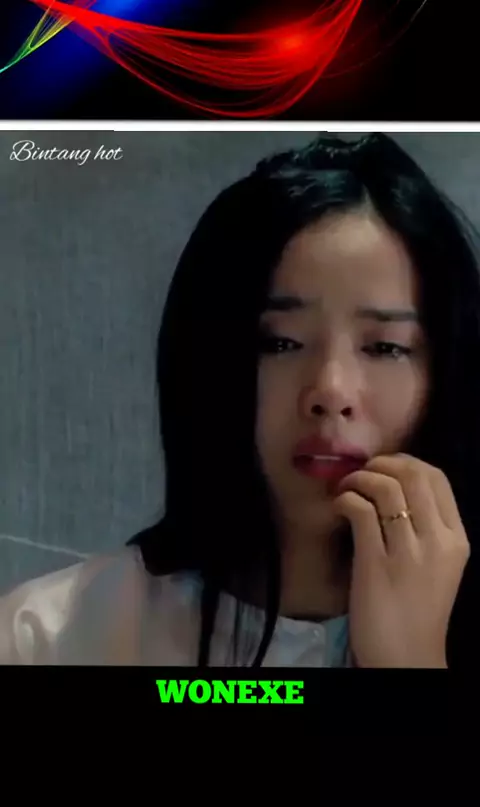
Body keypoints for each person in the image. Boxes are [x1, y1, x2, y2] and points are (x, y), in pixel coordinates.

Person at [0, 132, 477, 668]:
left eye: (385, 347)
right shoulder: (47, 638)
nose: (331, 390)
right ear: (208, 361)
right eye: (281, 343)